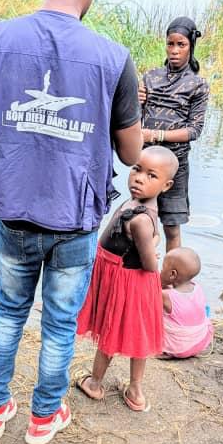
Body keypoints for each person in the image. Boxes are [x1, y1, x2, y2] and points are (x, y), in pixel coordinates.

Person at [0, 0, 142, 444]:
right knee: (61, 324)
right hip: (75, 217)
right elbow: (131, 155)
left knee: (9, 314)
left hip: (15, 211)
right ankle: (44, 417)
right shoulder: (114, 58)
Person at [76, 147, 177, 412]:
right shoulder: (138, 204)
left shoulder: (141, 219)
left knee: (113, 330)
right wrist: (154, 241)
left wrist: (152, 245)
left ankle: (96, 383)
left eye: (151, 175)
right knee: (137, 335)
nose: (139, 178)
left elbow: (149, 263)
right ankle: (134, 391)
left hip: (126, 282)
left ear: (166, 185)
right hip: (124, 277)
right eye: (137, 169)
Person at [138, 16, 210, 253]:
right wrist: (135, 101)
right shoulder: (150, 77)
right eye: (171, 44)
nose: (175, 50)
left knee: (172, 228)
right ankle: (142, 280)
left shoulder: (197, 85)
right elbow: (133, 120)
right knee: (140, 221)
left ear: (191, 46)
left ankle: (168, 282)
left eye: (181, 45)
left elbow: (194, 130)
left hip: (174, 165)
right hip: (147, 162)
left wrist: (155, 135)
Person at [159, 246, 213, 359]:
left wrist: (159, 280)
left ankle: (165, 350)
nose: (160, 270)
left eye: (162, 268)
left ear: (173, 274)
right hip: (200, 342)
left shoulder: (166, 296)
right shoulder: (197, 287)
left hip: (179, 348)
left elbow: (148, 293)